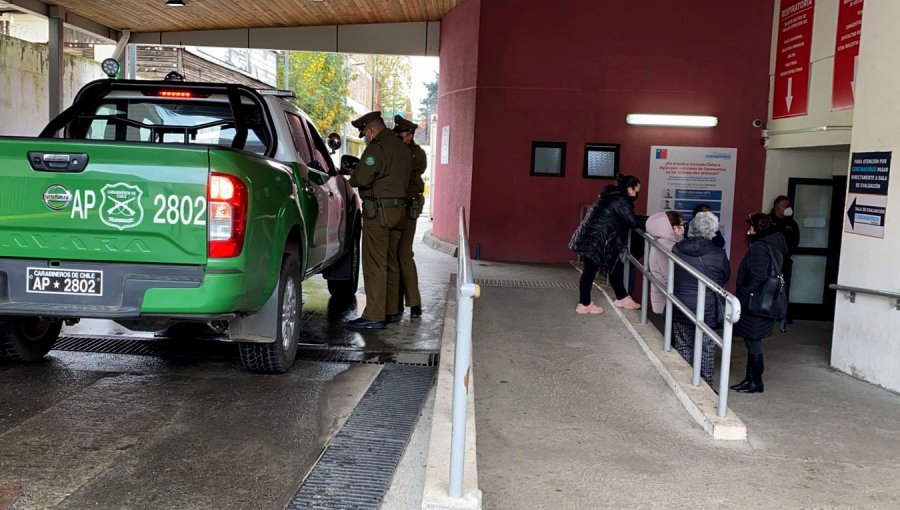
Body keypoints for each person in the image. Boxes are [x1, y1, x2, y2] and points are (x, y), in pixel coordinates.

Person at [345, 111, 412, 330]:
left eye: (365, 133)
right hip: (399, 212)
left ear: (371, 130)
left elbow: (362, 178)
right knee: (391, 262)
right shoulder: (403, 148)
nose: (365, 137)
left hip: (379, 213)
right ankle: (391, 310)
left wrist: (353, 174)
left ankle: (374, 315)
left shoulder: (376, 149)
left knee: (375, 264)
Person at [569, 173, 646, 314]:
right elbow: (632, 221)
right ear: (630, 189)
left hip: (593, 236)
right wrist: (652, 221)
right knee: (590, 270)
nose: (636, 193)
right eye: (636, 190)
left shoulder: (611, 195)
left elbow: (626, 217)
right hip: (597, 239)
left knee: (615, 265)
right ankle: (584, 304)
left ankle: (622, 297)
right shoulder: (622, 199)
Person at [730, 213, 788, 393]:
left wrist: (745, 292)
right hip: (764, 301)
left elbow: (758, 276)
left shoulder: (760, 248)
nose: (748, 231)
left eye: (751, 228)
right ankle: (750, 379)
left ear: (758, 229)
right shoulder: (774, 245)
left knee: (753, 342)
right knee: (752, 340)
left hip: (755, 303)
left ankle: (755, 381)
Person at [671, 212, 730, 387]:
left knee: (683, 345)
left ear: (692, 227)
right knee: (706, 349)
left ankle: (682, 384)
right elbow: (725, 276)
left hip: (680, 304)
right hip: (707, 308)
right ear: (713, 231)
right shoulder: (718, 254)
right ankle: (705, 387)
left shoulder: (677, 248)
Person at [385, 114, 427, 322]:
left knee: (402, 255)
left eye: (408, 134)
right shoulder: (402, 151)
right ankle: (399, 304)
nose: (405, 137)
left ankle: (414, 303)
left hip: (407, 207)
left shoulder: (414, 154)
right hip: (399, 207)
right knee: (395, 256)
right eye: (402, 134)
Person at [645, 210, 684, 314]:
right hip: (668, 300)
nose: (683, 228)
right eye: (680, 225)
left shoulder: (668, 242)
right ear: (671, 228)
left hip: (668, 298)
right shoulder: (664, 246)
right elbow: (667, 275)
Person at [770, 195, 799, 331]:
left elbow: (795, 242)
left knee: (784, 287)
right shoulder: (767, 220)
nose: (789, 208)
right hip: (768, 260)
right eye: (786, 206)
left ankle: (784, 315)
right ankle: (767, 312)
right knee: (767, 286)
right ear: (778, 207)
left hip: (785, 261)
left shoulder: (791, 224)